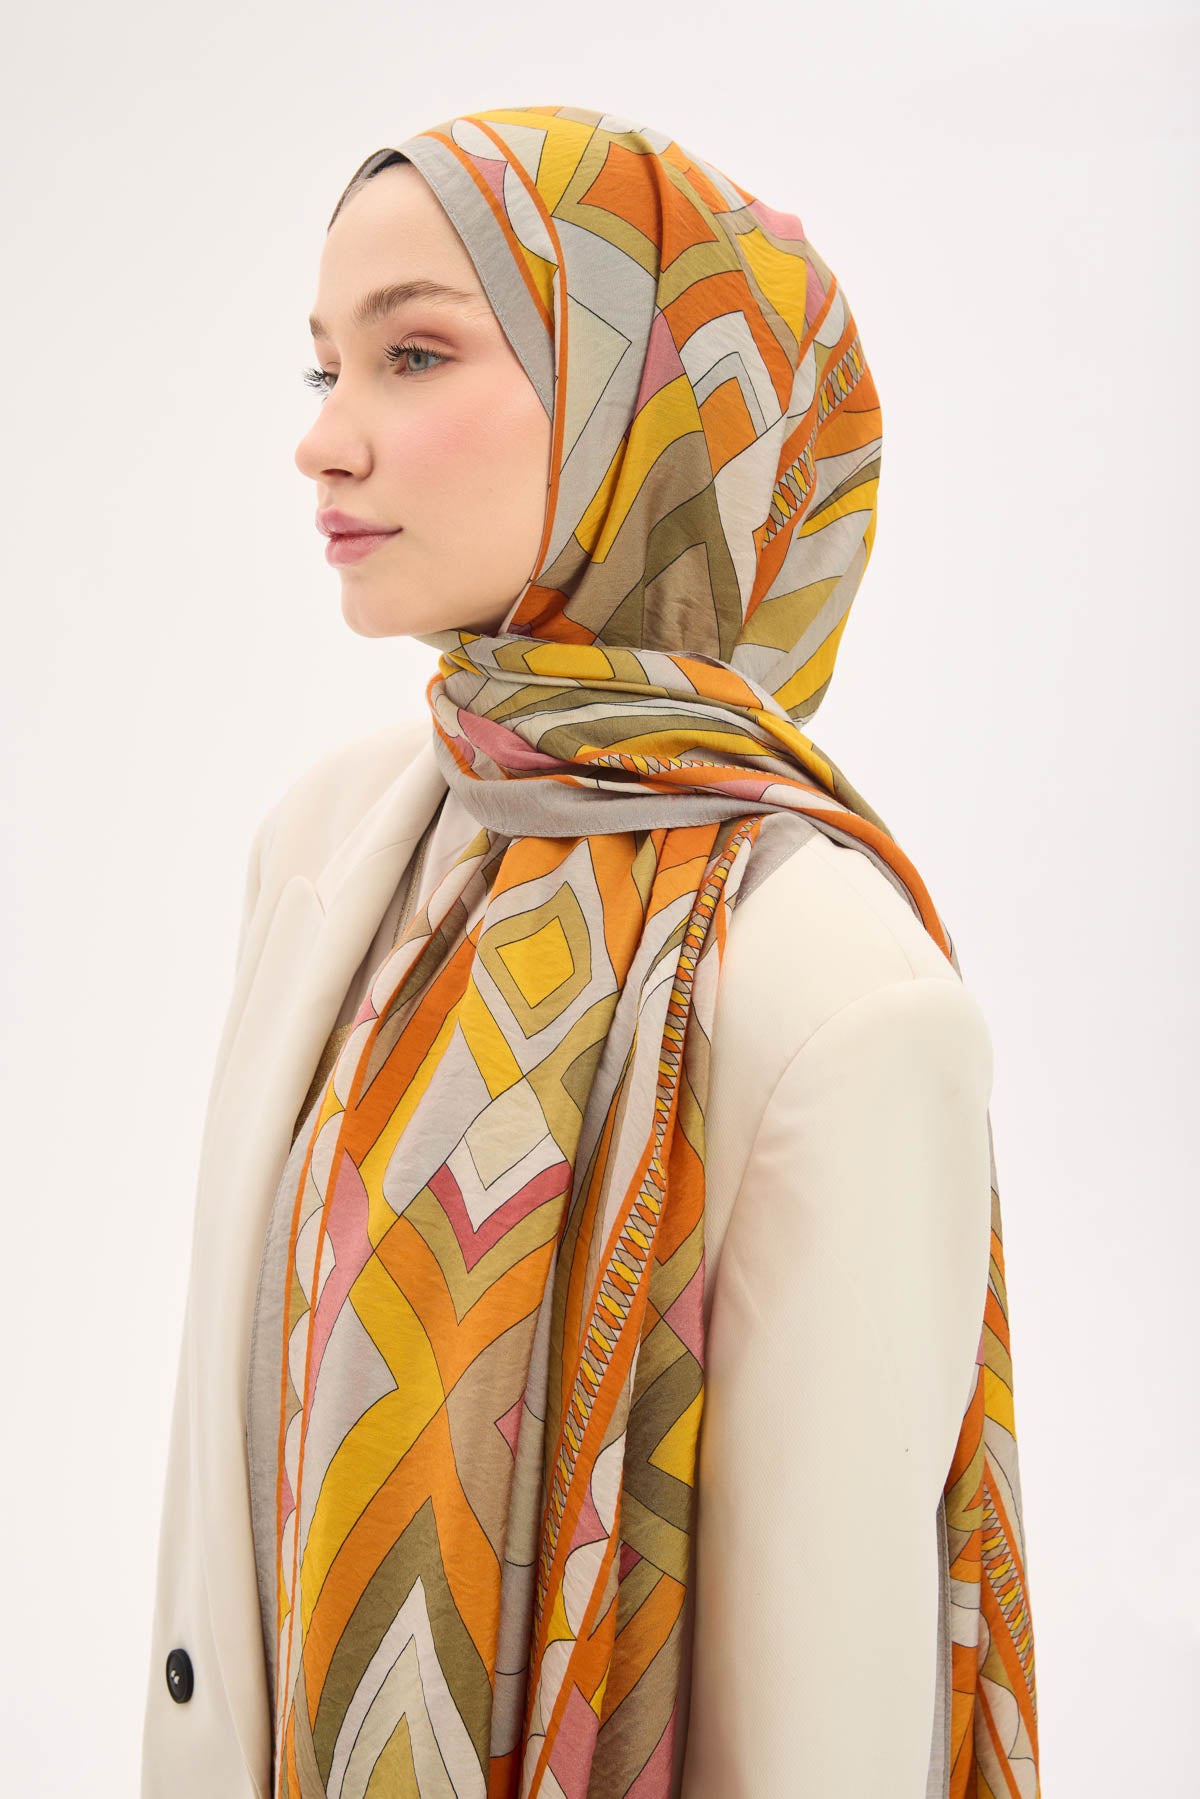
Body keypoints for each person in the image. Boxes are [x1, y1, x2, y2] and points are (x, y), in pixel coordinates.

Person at [140, 106, 1040, 1799]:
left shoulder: (835, 1000)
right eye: (323, 368)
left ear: (655, 420)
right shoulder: (326, 848)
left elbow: (817, 1742)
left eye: (413, 355)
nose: (324, 441)